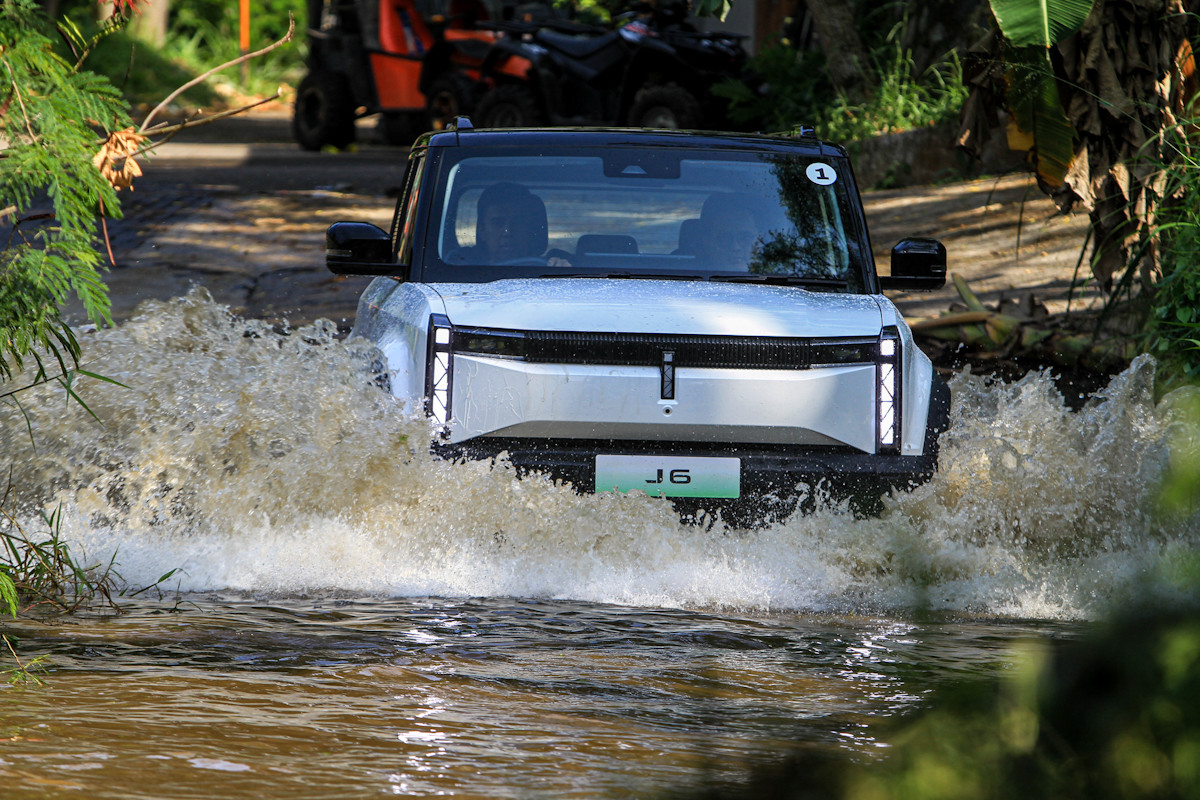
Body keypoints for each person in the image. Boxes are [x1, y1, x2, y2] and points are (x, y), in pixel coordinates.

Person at [451, 182, 570, 266]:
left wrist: (562, 271)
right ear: (482, 231)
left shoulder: (553, 265)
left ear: (531, 229)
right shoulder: (458, 265)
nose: (507, 231)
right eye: (498, 223)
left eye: (518, 223)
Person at [697, 192, 760, 269]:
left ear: (760, 240)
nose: (735, 247)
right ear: (707, 242)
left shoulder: (777, 276)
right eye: (724, 238)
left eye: (745, 238)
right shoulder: (685, 275)